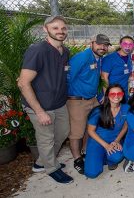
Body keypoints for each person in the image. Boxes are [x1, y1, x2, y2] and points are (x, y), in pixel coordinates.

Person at [17, 15, 73, 184]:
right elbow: (23, 83)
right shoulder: (38, 50)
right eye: (55, 28)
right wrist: (39, 112)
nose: (60, 31)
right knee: (46, 138)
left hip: (58, 103)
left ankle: (42, 162)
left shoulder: (65, 51)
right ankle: (51, 168)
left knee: (63, 132)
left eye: (63, 28)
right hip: (40, 105)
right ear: (45, 29)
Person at [67, 34, 111, 174]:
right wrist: (69, 96)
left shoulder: (98, 59)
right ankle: (77, 159)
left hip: (92, 99)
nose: (102, 47)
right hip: (77, 100)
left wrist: (100, 96)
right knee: (76, 133)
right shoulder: (82, 57)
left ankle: (85, 151)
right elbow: (67, 77)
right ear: (91, 43)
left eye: (105, 45)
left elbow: (95, 80)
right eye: (99, 44)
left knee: (89, 127)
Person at [84, 84, 128, 178]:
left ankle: (109, 160)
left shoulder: (126, 108)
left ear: (123, 94)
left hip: (114, 140)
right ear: (107, 95)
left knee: (117, 156)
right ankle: (99, 156)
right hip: (98, 141)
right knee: (92, 174)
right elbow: (90, 131)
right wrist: (106, 146)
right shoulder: (98, 111)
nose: (116, 96)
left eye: (119, 93)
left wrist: (117, 140)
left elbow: (125, 126)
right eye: (113, 94)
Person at [101, 35, 134, 100]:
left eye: (130, 44)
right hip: (112, 94)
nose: (127, 46)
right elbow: (104, 78)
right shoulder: (109, 59)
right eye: (125, 44)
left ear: (133, 46)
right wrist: (107, 96)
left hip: (123, 93)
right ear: (120, 45)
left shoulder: (129, 58)